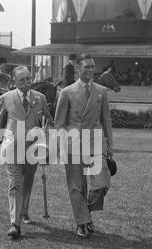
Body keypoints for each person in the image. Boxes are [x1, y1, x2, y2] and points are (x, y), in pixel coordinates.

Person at [0, 65, 53, 239]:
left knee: (28, 181)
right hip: (12, 149)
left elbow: (49, 120)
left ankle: (24, 210)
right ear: (14, 82)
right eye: (22, 79)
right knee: (15, 183)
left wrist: (46, 135)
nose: (26, 82)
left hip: (33, 150)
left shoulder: (40, 98)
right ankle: (15, 224)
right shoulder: (5, 98)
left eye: (29, 79)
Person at [55, 54, 115, 239]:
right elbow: (59, 123)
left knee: (102, 184)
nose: (90, 70)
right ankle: (81, 223)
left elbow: (106, 120)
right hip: (73, 144)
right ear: (78, 69)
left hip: (95, 143)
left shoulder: (101, 91)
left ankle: (86, 212)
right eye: (87, 67)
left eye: (93, 67)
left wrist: (110, 146)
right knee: (76, 187)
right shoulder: (67, 92)